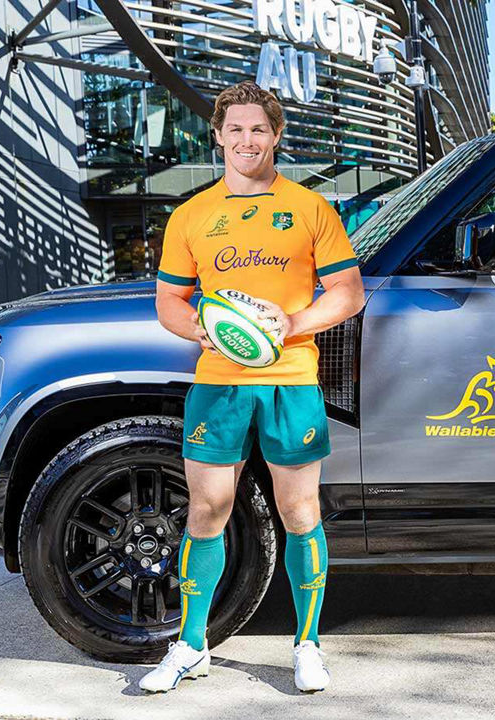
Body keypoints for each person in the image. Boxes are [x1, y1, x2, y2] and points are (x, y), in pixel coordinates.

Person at [141, 81, 364, 693]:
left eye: (258, 130)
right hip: (219, 383)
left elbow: (348, 293)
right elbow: (169, 302)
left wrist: (292, 323)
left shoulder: (312, 208)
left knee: (300, 511)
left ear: (276, 135)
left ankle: (307, 645)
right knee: (208, 510)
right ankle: (191, 644)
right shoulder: (190, 215)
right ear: (217, 136)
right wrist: (205, 330)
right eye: (235, 130)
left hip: (291, 380)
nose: (247, 140)